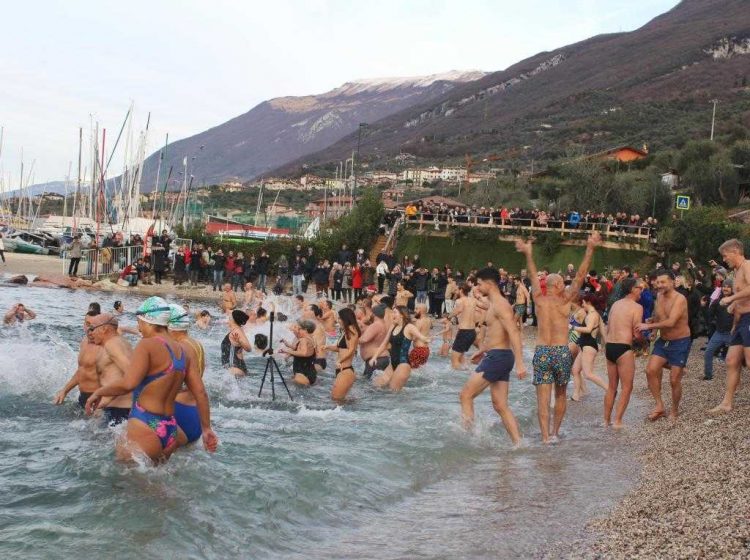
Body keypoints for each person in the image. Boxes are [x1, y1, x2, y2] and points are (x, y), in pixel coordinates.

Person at [85, 297, 218, 463]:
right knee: (158, 482)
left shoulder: (147, 345)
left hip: (145, 422)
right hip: (170, 427)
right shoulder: (184, 350)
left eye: (139, 321)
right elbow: (200, 393)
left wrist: (99, 392)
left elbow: (128, 384)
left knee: (127, 482)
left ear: (147, 320)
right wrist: (206, 428)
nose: (139, 327)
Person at [515, 232, 599, 443]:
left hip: (543, 351)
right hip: (561, 352)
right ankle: (555, 433)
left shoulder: (539, 300)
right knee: (561, 394)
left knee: (542, 399)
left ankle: (544, 437)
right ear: (559, 285)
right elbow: (580, 276)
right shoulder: (565, 301)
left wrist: (527, 253)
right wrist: (590, 249)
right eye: (564, 283)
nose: (567, 285)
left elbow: (533, 277)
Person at [459, 268, 527, 445]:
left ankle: (468, 439)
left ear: (489, 283)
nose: (478, 287)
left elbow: (513, 331)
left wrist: (520, 363)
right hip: (498, 355)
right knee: (500, 405)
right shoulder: (493, 304)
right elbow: (498, 334)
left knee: (465, 395)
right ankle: (518, 444)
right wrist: (482, 350)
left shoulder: (501, 305)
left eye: (480, 283)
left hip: (499, 357)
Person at [637, 270, 691, 421]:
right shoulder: (659, 296)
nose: (659, 285)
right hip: (663, 340)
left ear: (672, 283)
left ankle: (674, 409)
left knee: (674, 380)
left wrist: (648, 327)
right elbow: (660, 316)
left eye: (662, 282)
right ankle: (659, 406)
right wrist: (653, 327)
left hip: (680, 341)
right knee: (650, 370)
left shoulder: (680, 299)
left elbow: (671, 321)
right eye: (657, 282)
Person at [710, 239, 750, 413]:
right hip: (741, 321)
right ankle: (727, 403)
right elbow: (743, 296)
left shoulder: (748, 266)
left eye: (725, 256)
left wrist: (731, 299)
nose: (724, 260)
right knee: (731, 360)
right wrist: (734, 308)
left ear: (735, 251)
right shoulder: (736, 272)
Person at [168, 304, 212, 445]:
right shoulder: (196, 344)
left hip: (178, 412)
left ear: (169, 326)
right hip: (194, 413)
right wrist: (207, 427)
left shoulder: (178, 348)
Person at [604, 278, 643, 428]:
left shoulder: (615, 304)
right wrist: (644, 340)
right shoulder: (637, 307)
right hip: (623, 348)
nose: (641, 290)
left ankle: (606, 421)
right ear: (632, 289)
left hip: (610, 346)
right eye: (639, 288)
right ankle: (618, 421)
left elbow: (608, 327)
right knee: (627, 387)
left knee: (611, 387)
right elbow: (636, 331)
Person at [86, 313, 134, 426]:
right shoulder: (121, 342)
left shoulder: (112, 345)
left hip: (120, 410)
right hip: (122, 408)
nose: (90, 332)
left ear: (104, 329)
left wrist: (104, 401)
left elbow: (131, 376)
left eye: (92, 328)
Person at [371, 306, 430, 391]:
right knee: (376, 386)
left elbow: (420, 336)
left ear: (402, 315)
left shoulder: (409, 327)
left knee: (393, 392)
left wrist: (426, 339)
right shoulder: (393, 326)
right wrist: (374, 357)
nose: (392, 315)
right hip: (392, 365)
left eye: (395, 312)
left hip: (403, 365)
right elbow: (384, 344)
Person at [53, 311, 101, 408]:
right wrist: (64, 391)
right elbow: (82, 371)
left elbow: (120, 378)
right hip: (83, 397)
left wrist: (103, 404)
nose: (89, 329)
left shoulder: (106, 346)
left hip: (98, 400)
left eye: (94, 325)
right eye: (87, 324)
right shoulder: (84, 342)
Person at [570, 295, 608, 401]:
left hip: (589, 346)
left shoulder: (592, 315)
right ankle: (576, 395)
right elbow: (603, 332)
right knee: (575, 370)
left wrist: (572, 327)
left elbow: (588, 329)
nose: (582, 305)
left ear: (588, 303)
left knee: (588, 374)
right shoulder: (596, 315)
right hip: (585, 346)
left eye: (583, 303)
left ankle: (609, 390)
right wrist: (606, 345)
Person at [327, 308, 361, 401]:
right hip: (341, 370)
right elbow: (341, 349)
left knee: (336, 400)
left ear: (345, 319)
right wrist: (327, 347)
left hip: (345, 370)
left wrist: (340, 360)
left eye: (340, 318)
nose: (338, 321)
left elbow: (351, 350)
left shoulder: (351, 330)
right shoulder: (344, 331)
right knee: (338, 400)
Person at [704, 279, 734, 381]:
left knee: (739, 357)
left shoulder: (736, 301)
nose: (725, 288)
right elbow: (709, 314)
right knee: (708, 352)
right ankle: (708, 375)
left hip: (732, 334)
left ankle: (735, 377)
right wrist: (711, 323)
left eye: (728, 286)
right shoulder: (717, 302)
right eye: (724, 286)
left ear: (732, 288)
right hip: (719, 333)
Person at [281, 320, 318, 386]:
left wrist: (287, 351)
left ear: (305, 330)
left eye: (299, 329)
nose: (297, 330)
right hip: (308, 372)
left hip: (302, 373)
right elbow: (300, 349)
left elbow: (303, 353)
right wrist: (287, 345)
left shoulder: (304, 340)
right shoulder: (310, 339)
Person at [359, 304, 391, 379]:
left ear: (374, 314)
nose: (369, 315)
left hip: (375, 360)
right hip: (380, 359)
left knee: (369, 387)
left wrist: (353, 340)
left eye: (370, 313)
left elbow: (364, 339)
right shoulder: (383, 324)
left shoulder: (376, 325)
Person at [450, 285, 477, 370]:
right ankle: (467, 373)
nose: (455, 290)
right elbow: (486, 306)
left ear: (461, 290)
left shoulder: (459, 301)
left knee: (454, 360)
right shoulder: (473, 300)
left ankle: (457, 381)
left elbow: (459, 310)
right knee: (461, 357)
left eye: (456, 289)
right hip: (472, 332)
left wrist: (448, 317)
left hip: (464, 331)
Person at [221, 310, 252, 377]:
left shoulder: (237, 331)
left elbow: (249, 348)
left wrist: (240, 341)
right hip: (234, 367)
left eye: (230, 316)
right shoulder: (236, 330)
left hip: (235, 368)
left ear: (233, 319)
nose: (228, 317)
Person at [408, 303, 432, 369]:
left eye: (416, 308)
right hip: (426, 350)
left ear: (420, 310)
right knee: (418, 369)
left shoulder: (419, 321)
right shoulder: (429, 320)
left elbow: (414, 337)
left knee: (410, 369)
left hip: (419, 350)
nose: (414, 310)